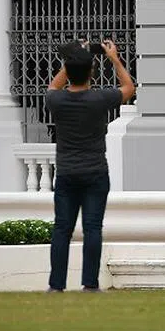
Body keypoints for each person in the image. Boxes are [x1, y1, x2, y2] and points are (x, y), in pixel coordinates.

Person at [45, 38, 136, 292]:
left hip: (66, 173)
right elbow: (129, 88)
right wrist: (114, 58)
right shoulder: (99, 99)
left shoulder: (56, 102)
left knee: (62, 228)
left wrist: (72, 59)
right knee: (92, 228)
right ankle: (90, 284)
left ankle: (56, 285)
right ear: (91, 73)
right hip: (95, 172)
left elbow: (53, 86)